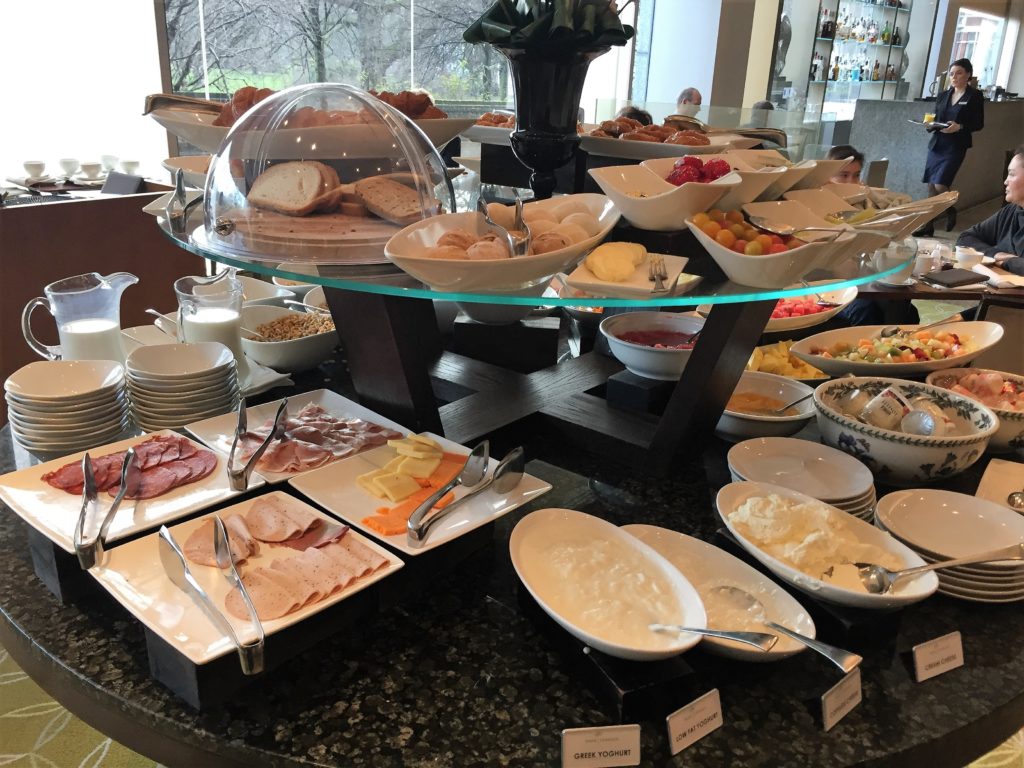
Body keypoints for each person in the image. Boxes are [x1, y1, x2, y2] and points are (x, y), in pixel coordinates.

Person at [915, 58, 985, 236]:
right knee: (931, 186)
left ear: (968, 75)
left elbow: (978, 124)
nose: (954, 77)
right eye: (952, 74)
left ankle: (951, 209)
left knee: (940, 183)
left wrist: (960, 127)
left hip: (956, 146)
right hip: (938, 144)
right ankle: (928, 226)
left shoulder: (974, 96)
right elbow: (936, 117)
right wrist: (929, 124)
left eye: (959, 73)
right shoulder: (943, 95)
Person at [956, 144, 1024, 275]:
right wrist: (997, 254)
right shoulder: (1010, 212)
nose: (1005, 181)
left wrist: (1007, 262)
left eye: (1011, 174)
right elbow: (965, 239)